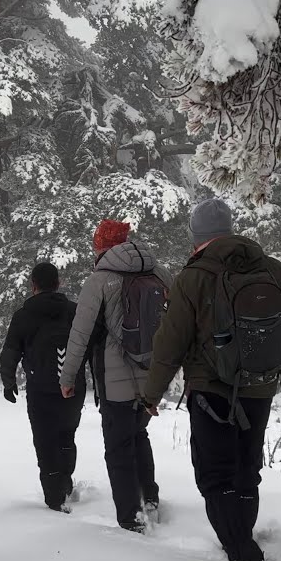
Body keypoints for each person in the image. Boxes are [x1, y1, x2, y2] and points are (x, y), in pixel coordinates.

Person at [139, 199, 281, 561]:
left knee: (215, 473)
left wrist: (150, 396)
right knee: (247, 470)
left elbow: (169, 343)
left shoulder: (193, 277)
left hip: (210, 389)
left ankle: (240, 554)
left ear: (197, 236)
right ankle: (242, 537)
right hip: (259, 387)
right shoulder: (271, 269)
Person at [59, 220, 170, 533]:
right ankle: (150, 499)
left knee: (119, 445)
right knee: (139, 435)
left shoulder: (100, 280)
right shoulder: (158, 271)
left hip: (115, 380)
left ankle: (129, 517)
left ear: (101, 246)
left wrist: (68, 377)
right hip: (152, 373)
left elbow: (80, 334)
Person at [0, 262, 87, 512]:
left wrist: (9, 382)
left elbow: (11, 351)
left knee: (44, 440)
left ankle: (53, 497)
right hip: (73, 386)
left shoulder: (23, 316)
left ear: (33, 285)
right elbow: (90, 346)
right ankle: (66, 482)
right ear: (58, 284)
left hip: (40, 390)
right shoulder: (74, 311)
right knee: (66, 436)